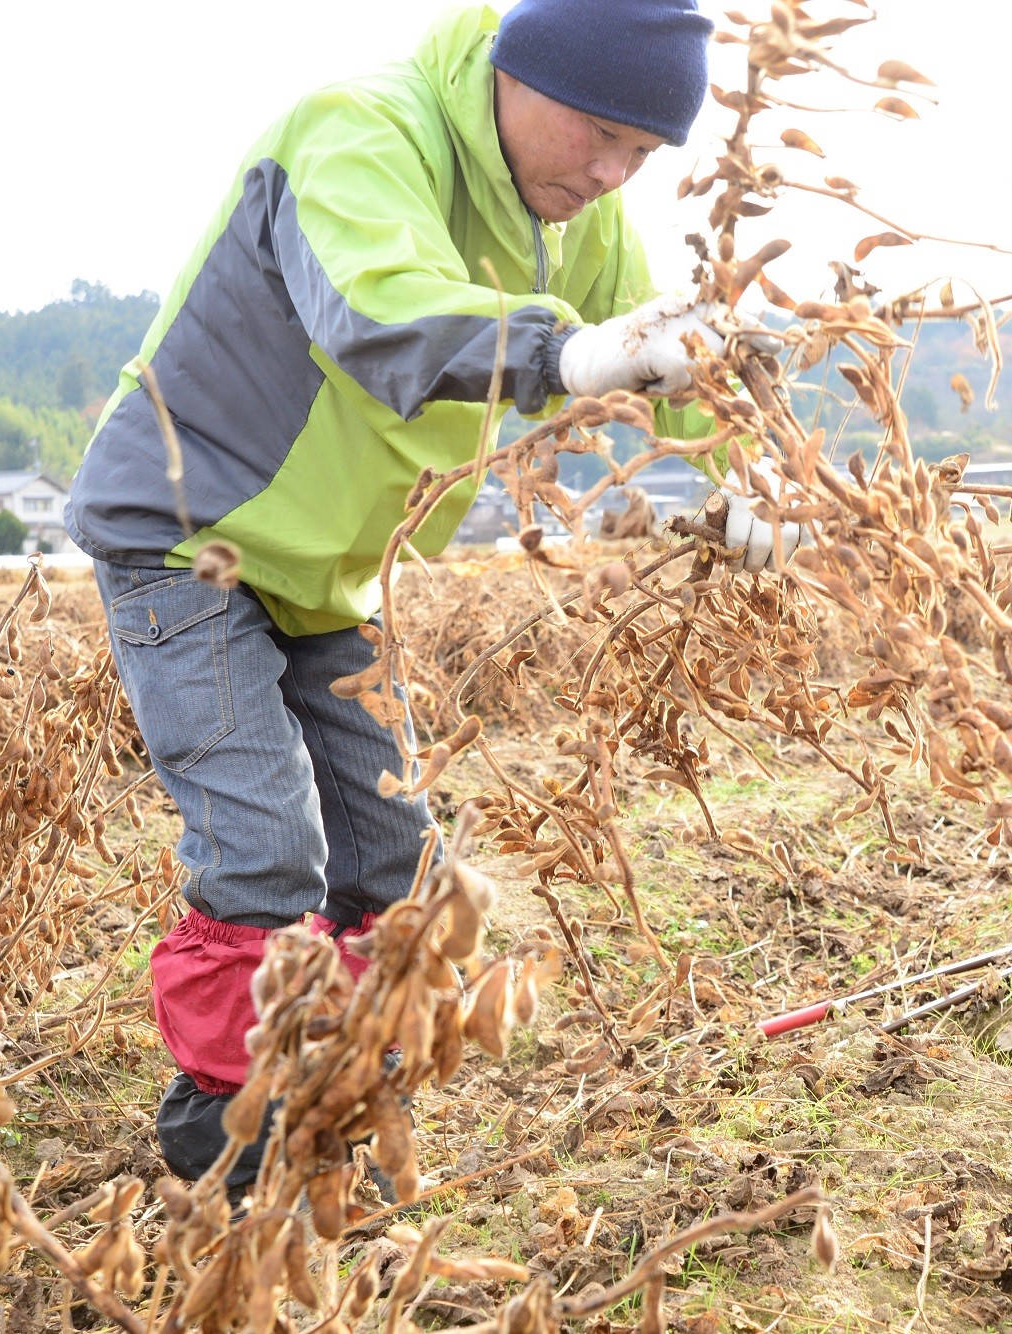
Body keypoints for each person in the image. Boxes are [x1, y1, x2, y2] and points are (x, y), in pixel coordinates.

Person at [63, 0, 803, 1185]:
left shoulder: (580, 217)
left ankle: (346, 1070)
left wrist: (743, 469)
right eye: (600, 132)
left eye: (643, 155)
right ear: (520, 70)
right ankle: (225, 1117)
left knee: (396, 854)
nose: (613, 171)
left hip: (329, 568)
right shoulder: (356, 132)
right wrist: (563, 354)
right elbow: (379, 314)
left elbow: (661, 360)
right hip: (188, 535)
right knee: (263, 846)